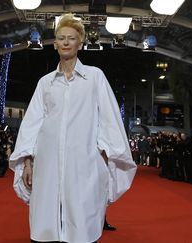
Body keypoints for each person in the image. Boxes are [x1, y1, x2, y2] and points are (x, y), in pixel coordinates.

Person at [9, 14, 137, 243]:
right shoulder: (45, 83)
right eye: (61, 38)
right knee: (44, 226)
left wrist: (104, 153)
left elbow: (110, 119)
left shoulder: (95, 77)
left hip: (84, 167)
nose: (66, 42)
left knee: (82, 228)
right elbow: (32, 124)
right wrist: (27, 159)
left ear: (81, 43)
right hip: (47, 165)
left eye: (72, 38)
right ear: (55, 44)